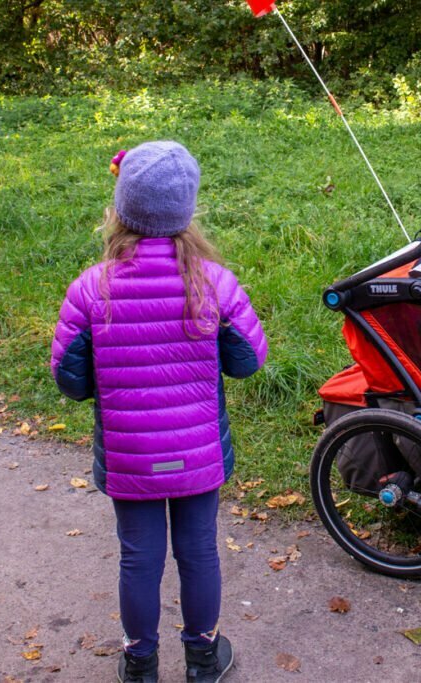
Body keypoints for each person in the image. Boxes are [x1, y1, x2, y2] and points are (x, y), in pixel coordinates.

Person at [50, 141, 268, 683]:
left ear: (120, 210)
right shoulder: (214, 283)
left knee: (138, 558)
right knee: (198, 551)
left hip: (131, 455)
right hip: (195, 452)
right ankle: (202, 657)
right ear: (187, 211)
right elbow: (246, 361)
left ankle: (140, 664)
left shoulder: (90, 290)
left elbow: (71, 382)